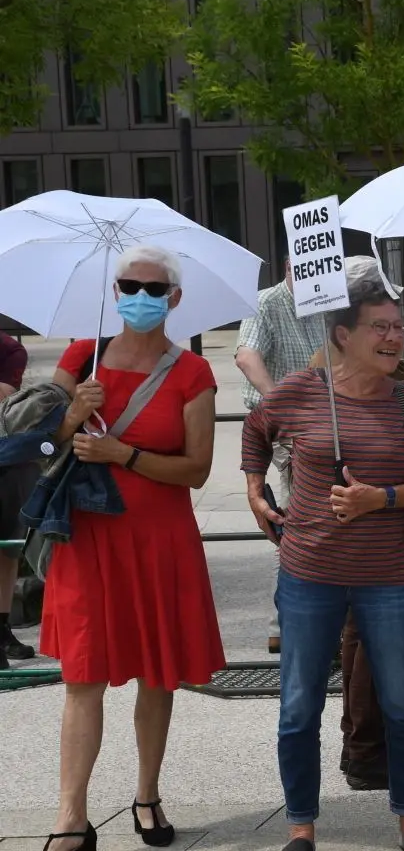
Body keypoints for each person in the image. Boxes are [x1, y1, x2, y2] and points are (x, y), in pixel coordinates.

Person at [242, 271, 404, 851]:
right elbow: (256, 429)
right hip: (309, 572)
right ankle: (301, 828)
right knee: (299, 705)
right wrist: (256, 490)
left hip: (390, 578)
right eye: (379, 328)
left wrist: (381, 498)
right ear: (341, 334)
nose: (394, 337)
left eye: (398, 327)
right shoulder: (302, 391)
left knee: (403, 705)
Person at [41, 246, 223, 851]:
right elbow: (33, 442)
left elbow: (198, 469)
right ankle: (71, 815)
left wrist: (125, 456)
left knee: (156, 674)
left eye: (153, 288)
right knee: (83, 674)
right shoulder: (81, 355)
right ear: (113, 291)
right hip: (89, 537)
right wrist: (71, 416)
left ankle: (147, 793)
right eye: (129, 285)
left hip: (159, 540)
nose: (139, 297)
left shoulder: (192, 372)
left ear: (173, 299)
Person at [236, 258, 326, 654]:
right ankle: (287, 620)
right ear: (290, 265)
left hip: (325, 423)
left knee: (307, 518)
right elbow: (246, 356)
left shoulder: (329, 301)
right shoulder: (267, 302)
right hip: (284, 428)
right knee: (299, 519)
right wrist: (280, 402)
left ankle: (291, 620)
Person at [0, 330, 36, 667]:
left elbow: (5, 395)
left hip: (6, 458)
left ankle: (2, 627)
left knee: (7, 549)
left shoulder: (10, 348)